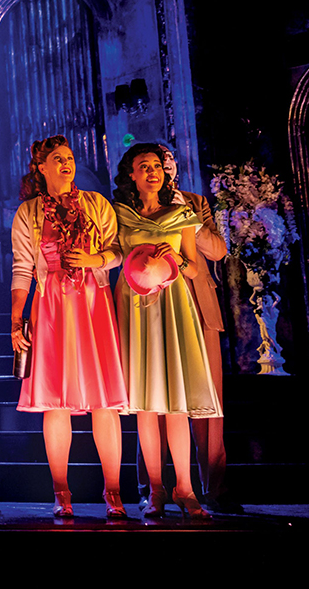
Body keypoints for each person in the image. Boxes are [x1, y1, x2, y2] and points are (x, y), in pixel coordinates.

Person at [10, 134, 129, 519]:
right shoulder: (29, 213)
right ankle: (61, 491)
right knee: (55, 403)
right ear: (41, 168)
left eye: (70, 157)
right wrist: (16, 319)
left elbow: (117, 251)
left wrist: (95, 258)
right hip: (50, 309)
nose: (66, 163)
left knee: (104, 402)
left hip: (93, 308)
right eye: (57, 158)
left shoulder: (96, 204)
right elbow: (22, 269)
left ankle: (114, 491)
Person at [113, 143, 221, 519]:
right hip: (136, 306)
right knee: (145, 400)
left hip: (173, 305)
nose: (153, 172)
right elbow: (111, 254)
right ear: (131, 174)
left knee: (176, 400)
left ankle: (185, 489)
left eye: (157, 166)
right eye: (144, 166)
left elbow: (193, 267)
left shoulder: (181, 213)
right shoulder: (121, 216)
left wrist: (175, 257)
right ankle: (155, 490)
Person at [162, 146, 235, 511]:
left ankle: (215, 488)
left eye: (169, 161)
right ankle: (157, 487)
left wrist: (189, 215)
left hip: (200, 304)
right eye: (156, 163)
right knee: (160, 401)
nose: (164, 167)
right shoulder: (132, 203)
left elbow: (218, 251)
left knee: (211, 403)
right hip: (159, 307)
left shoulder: (195, 201)